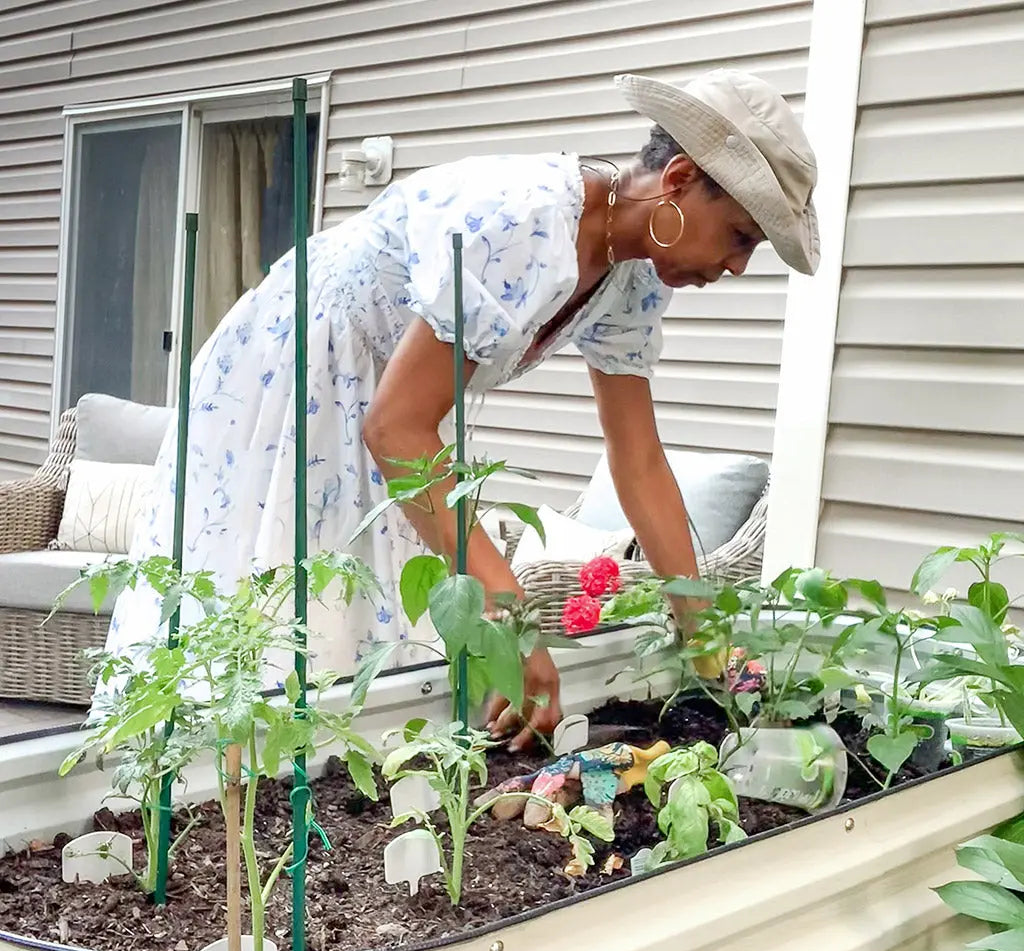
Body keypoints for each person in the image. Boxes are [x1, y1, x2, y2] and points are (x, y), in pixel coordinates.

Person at [107, 67, 819, 751]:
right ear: (680, 180)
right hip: (294, 376)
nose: (737, 267)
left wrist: (702, 631)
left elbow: (638, 461)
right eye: (740, 238)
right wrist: (514, 617)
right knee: (263, 634)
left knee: (369, 647)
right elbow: (396, 429)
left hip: (385, 408)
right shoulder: (525, 221)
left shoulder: (633, 279)